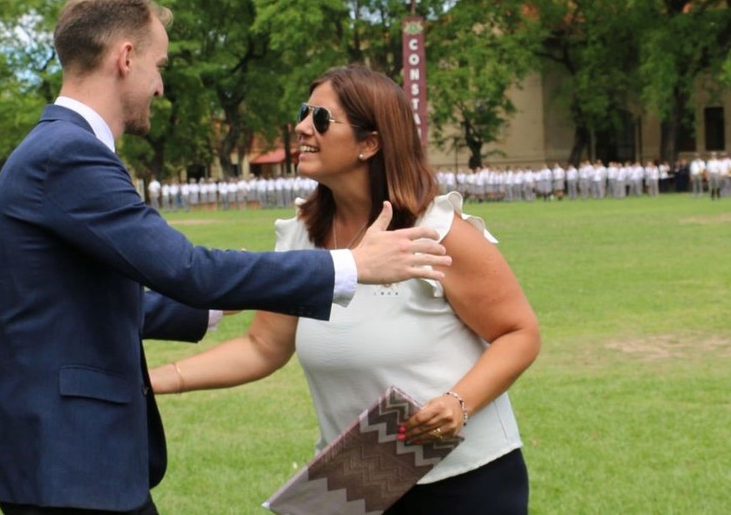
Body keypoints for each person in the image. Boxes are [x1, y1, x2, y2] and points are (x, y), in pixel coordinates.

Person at [0, 0, 451, 515]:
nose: (160, 87)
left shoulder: (58, 147)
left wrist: (222, 303)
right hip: (67, 460)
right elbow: (184, 268)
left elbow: (90, 299)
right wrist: (351, 265)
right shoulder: (69, 154)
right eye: (159, 66)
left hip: (59, 459)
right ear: (126, 58)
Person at [151, 64, 542, 514]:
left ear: (369, 143)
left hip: (465, 485)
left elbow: (519, 332)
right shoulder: (301, 235)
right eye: (304, 112)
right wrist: (154, 381)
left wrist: (459, 402)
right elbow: (262, 346)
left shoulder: (435, 232)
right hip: (358, 487)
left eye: (320, 118)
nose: (301, 127)